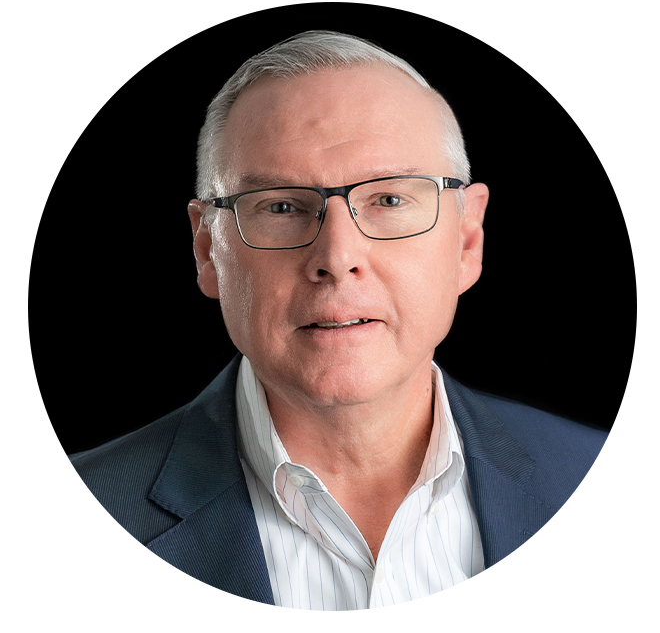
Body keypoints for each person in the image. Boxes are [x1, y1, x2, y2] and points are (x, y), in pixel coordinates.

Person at [71, 31, 607, 610]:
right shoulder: (68, 522)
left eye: (389, 200)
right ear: (207, 250)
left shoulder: (608, 484)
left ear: (467, 240)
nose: (336, 256)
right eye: (281, 206)